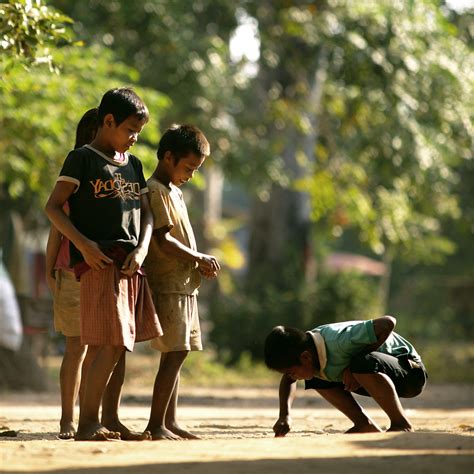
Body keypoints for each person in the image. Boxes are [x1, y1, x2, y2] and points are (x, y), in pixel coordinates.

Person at [45, 87, 162, 441]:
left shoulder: (135, 165)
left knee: (119, 344)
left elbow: (147, 216)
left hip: (129, 266)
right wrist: (84, 245)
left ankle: (99, 420)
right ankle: (85, 422)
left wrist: (141, 250)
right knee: (105, 343)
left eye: (138, 132)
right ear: (107, 121)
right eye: (129, 130)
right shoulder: (81, 159)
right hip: (94, 266)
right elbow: (52, 208)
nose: (134, 138)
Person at [144, 124, 220, 440]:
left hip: (184, 284)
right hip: (168, 283)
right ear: (168, 157)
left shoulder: (175, 191)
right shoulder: (156, 190)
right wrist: (198, 258)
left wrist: (196, 263)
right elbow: (163, 242)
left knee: (179, 351)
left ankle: (170, 421)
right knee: (174, 352)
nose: (189, 175)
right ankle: (156, 423)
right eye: (188, 168)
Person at [264, 316, 427, 435]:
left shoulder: (340, 341)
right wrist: (284, 416)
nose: (292, 376)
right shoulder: (310, 353)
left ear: (305, 357)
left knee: (360, 362)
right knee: (314, 376)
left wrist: (352, 364)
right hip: (378, 373)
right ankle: (364, 424)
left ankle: (401, 423)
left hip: (410, 374)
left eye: (292, 371)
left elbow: (388, 322)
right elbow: (288, 379)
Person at [45, 108, 98, 439]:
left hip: (99, 273)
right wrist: (51, 271)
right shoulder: (74, 176)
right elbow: (55, 230)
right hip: (71, 272)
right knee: (75, 348)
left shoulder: (110, 180)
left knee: (94, 351)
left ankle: (87, 418)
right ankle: (67, 419)